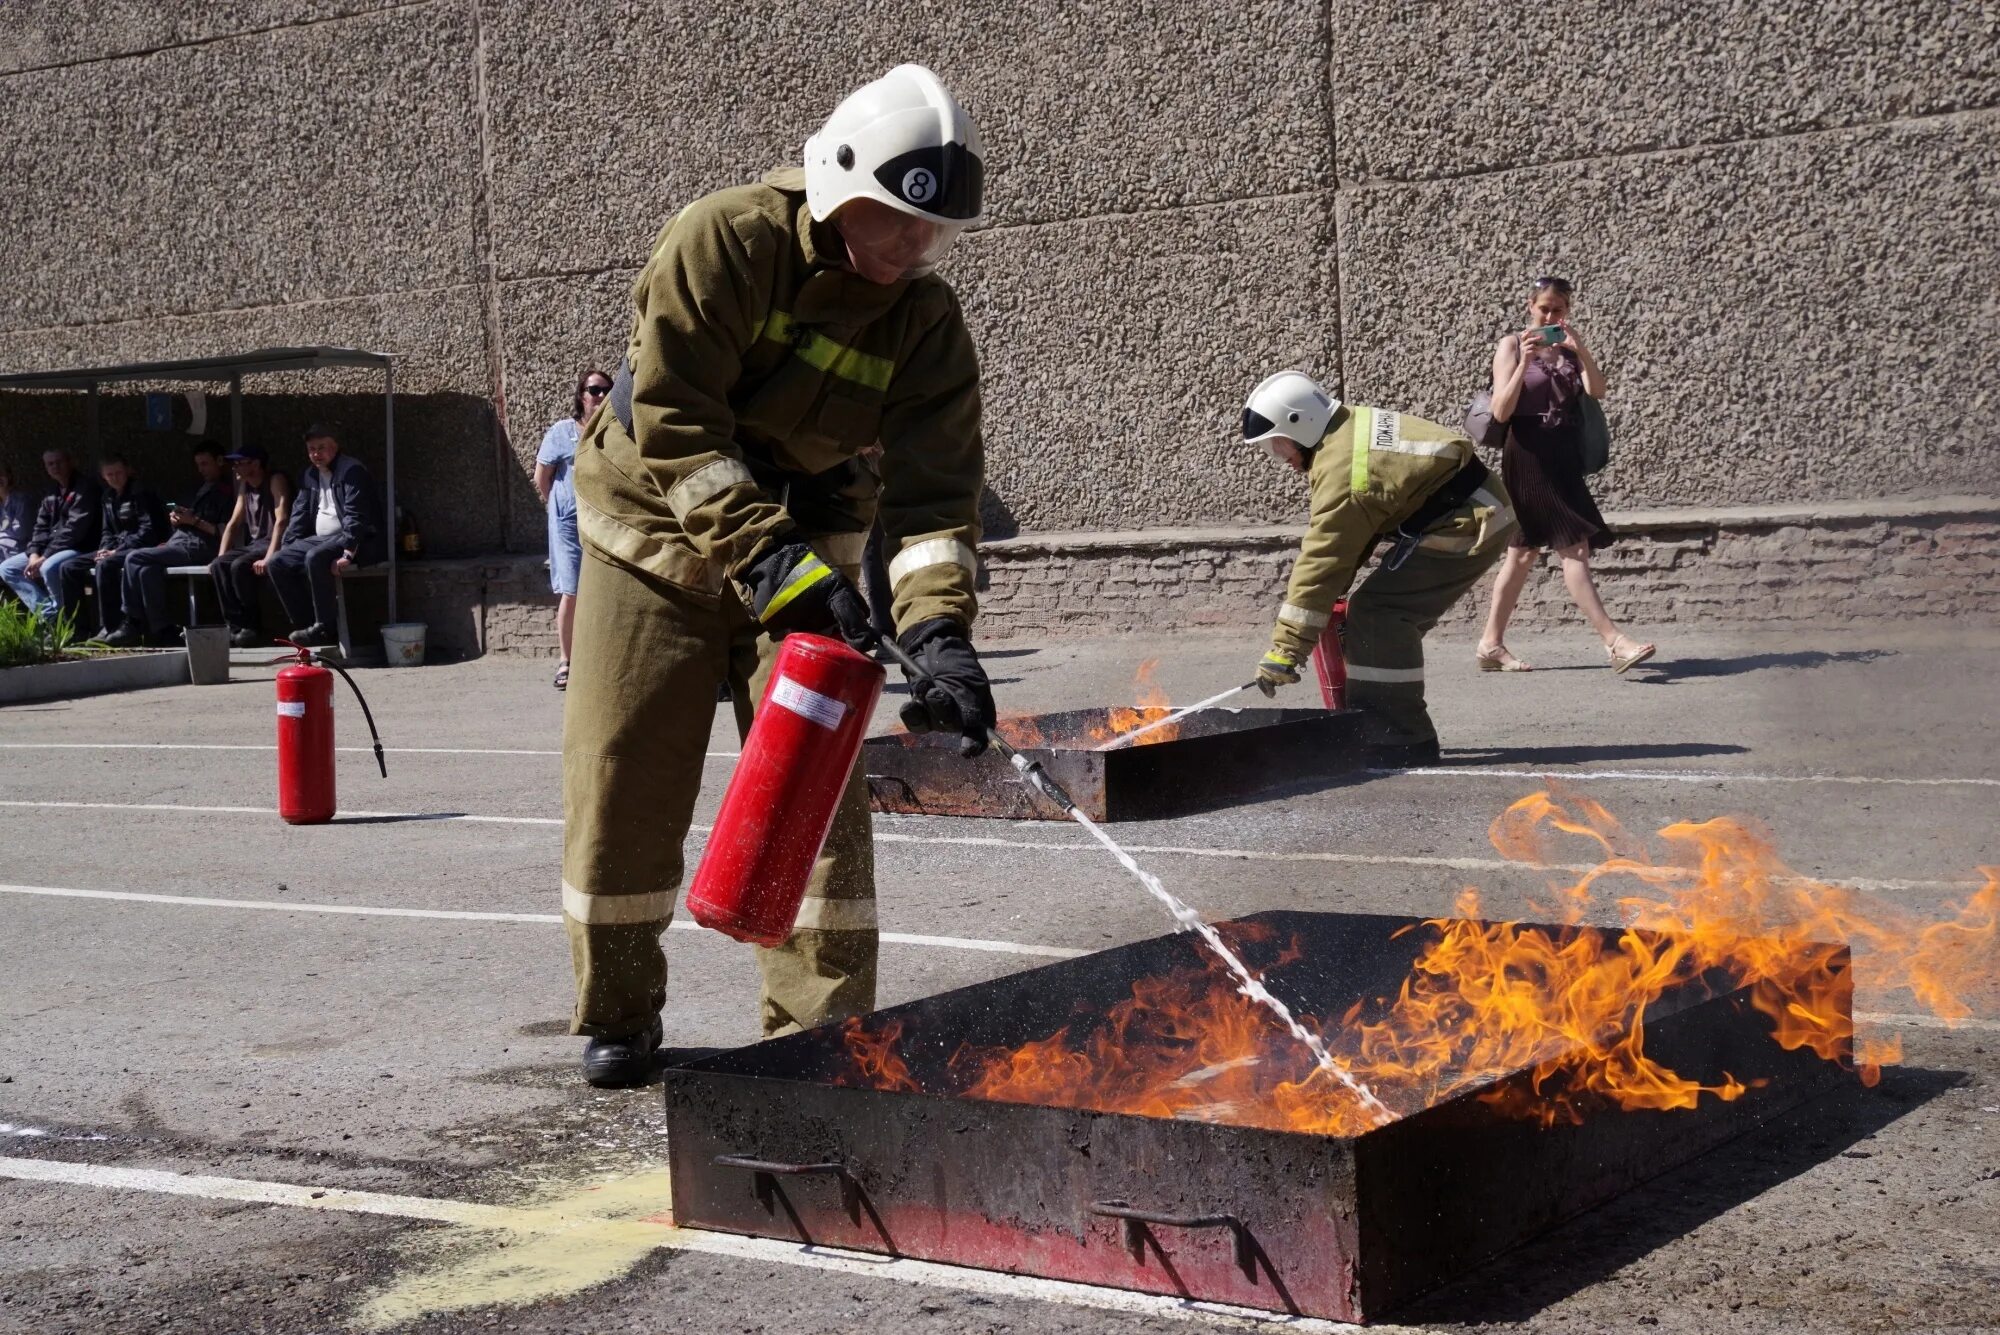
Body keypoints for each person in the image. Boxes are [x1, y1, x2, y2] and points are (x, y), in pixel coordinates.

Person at [563, 64, 993, 1088]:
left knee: (820, 801)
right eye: (893, 222)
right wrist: (761, 557)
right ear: (837, 180)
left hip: (805, 545)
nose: (911, 248)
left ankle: (818, 1041)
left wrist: (939, 633)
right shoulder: (725, 238)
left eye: (928, 232)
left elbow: (936, 503)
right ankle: (619, 1014)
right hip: (653, 534)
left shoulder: (925, 324)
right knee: (626, 777)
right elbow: (672, 421)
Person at [1242, 371, 1516, 766]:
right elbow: (1356, 532)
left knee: (1381, 615)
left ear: (1302, 426)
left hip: (1471, 522)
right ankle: (1379, 723)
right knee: (1374, 617)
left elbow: (1323, 559)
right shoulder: (1345, 428)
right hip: (1471, 507)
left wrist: (1286, 650)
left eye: (1277, 446)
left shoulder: (1345, 474)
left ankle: (1402, 739)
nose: (1280, 458)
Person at [1475, 276, 1655, 674]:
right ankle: (1615, 641)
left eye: (1559, 309)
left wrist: (1581, 351)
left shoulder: (1568, 351)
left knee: (1522, 554)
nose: (1551, 315)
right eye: (1544, 308)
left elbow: (1597, 390)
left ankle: (1490, 644)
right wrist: (1525, 360)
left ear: (1568, 310)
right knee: (1573, 547)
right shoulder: (1510, 345)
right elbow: (1502, 411)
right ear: (1530, 306)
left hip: (1563, 457)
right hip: (1529, 454)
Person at [108, 443, 237, 646]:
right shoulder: (200, 488)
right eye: (198, 465)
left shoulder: (229, 491)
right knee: (146, 570)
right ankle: (162, 629)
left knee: (134, 557)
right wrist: (178, 519)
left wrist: (193, 521)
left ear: (220, 462)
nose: (201, 469)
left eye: (205, 464)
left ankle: (132, 620)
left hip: (202, 546)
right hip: (179, 541)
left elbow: (225, 531)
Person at [266, 424, 382, 648]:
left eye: (321, 448)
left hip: (358, 539)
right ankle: (307, 625)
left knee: (315, 557)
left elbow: (356, 516)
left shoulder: (352, 471)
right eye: (311, 449)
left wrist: (349, 552)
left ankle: (325, 627)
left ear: (335, 447)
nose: (316, 454)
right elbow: (299, 514)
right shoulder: (310, 474)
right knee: (278, 562)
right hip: (322, 539)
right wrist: (288, 547)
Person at [535, 369, 608, 690]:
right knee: (572, 590)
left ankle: (599, 658)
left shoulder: (615, 432)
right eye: (594, 390)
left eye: (607, 390)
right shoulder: (562, 432)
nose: (601, 396)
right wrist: (559, 509)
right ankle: (566, 660)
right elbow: (543, 477)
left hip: (604, 522)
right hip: (568, 524)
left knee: (604, 589)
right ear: (582, 395)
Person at [62, 454, 168, 636]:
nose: (115, 478)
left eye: (118, 473)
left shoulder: (140, 493)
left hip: (139, 548)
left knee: (105, 565)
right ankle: (77, 629)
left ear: (127, 471)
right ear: (103, 476)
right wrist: (104, 549)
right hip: (114, 548)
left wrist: (115, 551)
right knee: (68, 567)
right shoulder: (108, 497)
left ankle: (109, 627)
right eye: (109, 475)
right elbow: (107, 531)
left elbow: (148, 531)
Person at [0, 450, 102, 623]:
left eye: (59, 462)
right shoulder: (51, 492)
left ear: (71, 462)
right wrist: (33, 554)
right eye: (50, 464)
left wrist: (45, 555)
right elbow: (40, 527)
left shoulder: (85, 488)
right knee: (7, 568)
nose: (55, 467)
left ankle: (67, 620)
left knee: (48, 567)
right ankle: (51, 617)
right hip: (49, 549)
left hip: (80, 547)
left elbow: (74, 530)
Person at [210, 445, 294, 647]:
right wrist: (219, 556)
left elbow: (282, 521)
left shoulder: (275, 480)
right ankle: (235, 627)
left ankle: (252, 626)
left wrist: (269, 557)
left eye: (239, 463)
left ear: (256, 464)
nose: (234, 468)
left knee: (240, 566)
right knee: (219, 566)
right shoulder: (244, 486)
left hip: (274, 542)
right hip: (255, 544)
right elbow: (232, 524)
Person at [0, 465, 31, 570]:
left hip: (18, 547)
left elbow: (21, 532)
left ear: (9, 477)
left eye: (2, 475)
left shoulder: (21, 500)